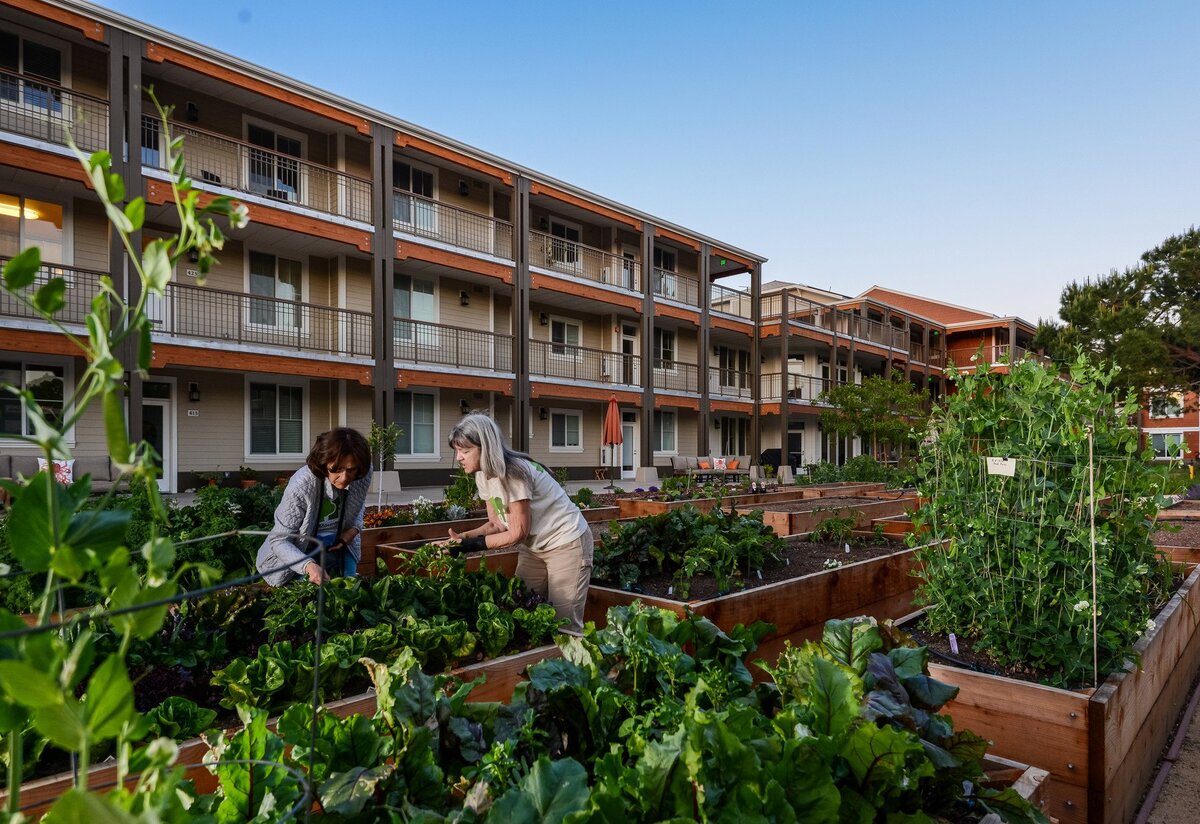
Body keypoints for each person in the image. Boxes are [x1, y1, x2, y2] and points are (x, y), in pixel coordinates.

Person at [443, 413, 592, 635]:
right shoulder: (483, 476)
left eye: (465, 451)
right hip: (534, 549)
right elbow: (497, 524)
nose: (459, 458)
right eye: (457, 451)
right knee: (522, 611)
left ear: (485, 448)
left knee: (564, 624)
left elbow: (517, 533)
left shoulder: (514, 473)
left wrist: (469, 547)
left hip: (566, 542)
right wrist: (461, 539)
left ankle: (572, 667)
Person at [257, 427, 373, 586]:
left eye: (351, 470)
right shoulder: (301, 485)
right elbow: (279, 541)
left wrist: (354, 530)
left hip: (335, 547)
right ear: (324, 462)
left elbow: (358, 505)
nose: (345, 477)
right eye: (337, 469)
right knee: (311, 594)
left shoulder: (363, 474)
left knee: (350, 588)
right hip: (300, 552)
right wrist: (308, 566)